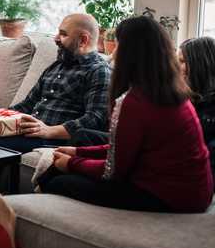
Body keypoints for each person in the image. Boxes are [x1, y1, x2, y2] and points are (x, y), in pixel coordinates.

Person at [39, 16, 213, 213]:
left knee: (59, 182)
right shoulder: (173, 91)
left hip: (169, 197)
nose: (112, 51)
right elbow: (122, 150)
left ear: (131, 54)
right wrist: (79, 153)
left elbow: (113, 172)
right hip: (195, 193)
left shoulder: (137, 101)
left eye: (119, 45)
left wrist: (72, 163)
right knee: (59, 170)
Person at [0, 13, 111, 152]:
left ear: (83, 40)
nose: (56, 38)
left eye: (63, 34)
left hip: (55, 138)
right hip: (32, 132)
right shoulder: (56, 66)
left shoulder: (98, 71)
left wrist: (49, 131)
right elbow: (27, 104)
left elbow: (95, 119)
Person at [179, 36, 215, 189]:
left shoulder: (210, 109)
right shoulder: (190, 99)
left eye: (181, 61)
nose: (176, 67)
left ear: (199, 65)